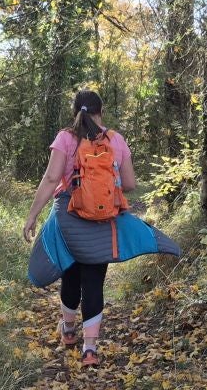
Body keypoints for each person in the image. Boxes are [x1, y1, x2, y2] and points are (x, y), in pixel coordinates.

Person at [23, 89, 180, 366]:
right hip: (104, 219)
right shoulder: (116, 140)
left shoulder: (66, 138)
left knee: (70, 274)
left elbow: (50, 179)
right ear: (101, 111)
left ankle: (68, 330)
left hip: (68, 218)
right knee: (94, 280)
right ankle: (90, 349)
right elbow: (130, 184)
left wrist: (32, 216)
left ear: (75, 112)